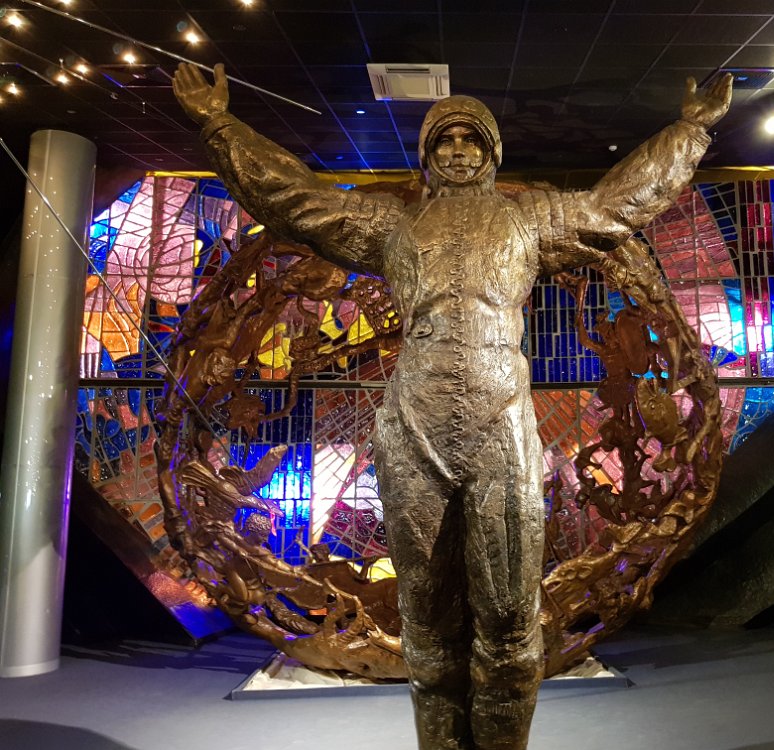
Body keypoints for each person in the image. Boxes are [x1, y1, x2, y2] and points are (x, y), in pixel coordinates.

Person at [172, 62, 732, 750]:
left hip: (501, 428)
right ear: (427, 153)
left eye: (472, 139)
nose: (459, 151)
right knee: (427, 626)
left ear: (492, 152)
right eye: (446, 140)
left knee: (509, 623)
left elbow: (617, 204)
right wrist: (219, 125)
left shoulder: (531, 218)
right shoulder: (391, 222)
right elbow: (294, 198)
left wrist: (690, 131)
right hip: (416, 426)